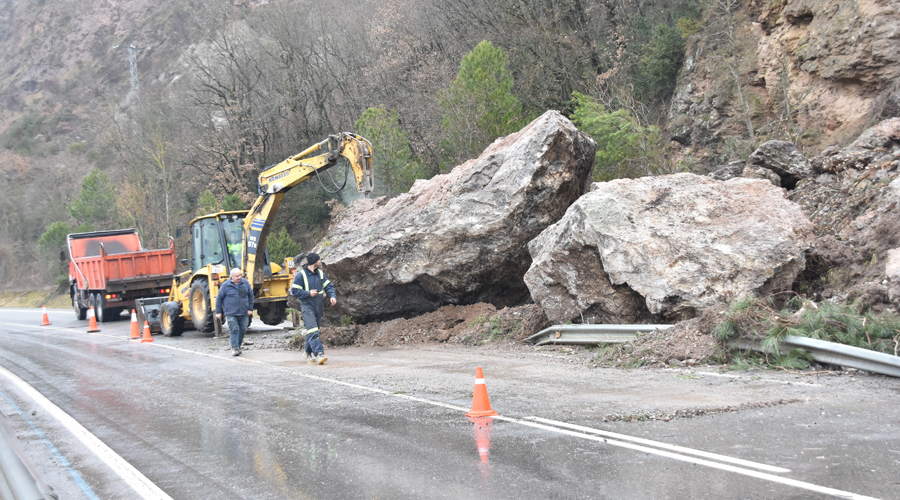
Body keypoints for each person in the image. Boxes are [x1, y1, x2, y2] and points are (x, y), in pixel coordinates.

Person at [290, 252, 336, 365]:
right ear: (315, 262)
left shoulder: (320, 274)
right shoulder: (301, 275)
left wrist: (332, 296)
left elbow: (328, 286)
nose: (320, 262)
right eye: (318, 260)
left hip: (318, 305)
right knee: (313, 330)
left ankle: (307, 352)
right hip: (307, 305)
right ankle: (319, 354)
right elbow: (294, 291)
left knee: (314, 330)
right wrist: (308, 293)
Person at [215, 267, 254, 356]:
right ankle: (235, 348)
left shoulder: (245, 283)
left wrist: (250, 309)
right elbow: (219, 298)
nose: (239, 277)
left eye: (240, 275)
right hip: (231, 312)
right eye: (237, 276)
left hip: (244, 312)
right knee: (234, 329)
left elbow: (251, 295)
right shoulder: (226, 285)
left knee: (243, 329)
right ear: (232, 277)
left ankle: (238, 345)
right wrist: (218, 312)